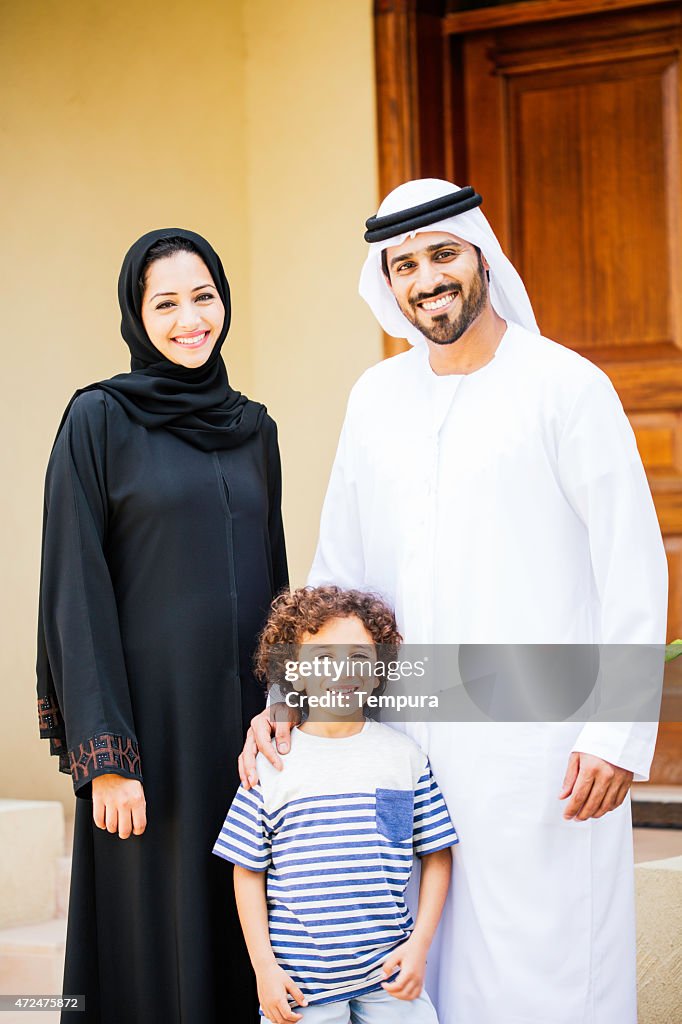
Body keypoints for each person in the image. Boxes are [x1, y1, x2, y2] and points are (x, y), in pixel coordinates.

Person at [240, 180, 669, 1024]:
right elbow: (338, 573)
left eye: (442, 254)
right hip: (402, 737)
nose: (426, 279)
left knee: (545, 958)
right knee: (416, 960)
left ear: (481, 257)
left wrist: (615, 731)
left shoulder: (564, 386)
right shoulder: (376, 400)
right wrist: (290, 696)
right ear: (386, 283)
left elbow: (633, 566)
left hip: (543, 745)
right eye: (404, 265)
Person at [36, 228, 288, 1023]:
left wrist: (284, 707)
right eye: (166, 303)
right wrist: (105, 757)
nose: (190, 319)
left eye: (204, 296)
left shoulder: (255, 428)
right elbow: (73, 591)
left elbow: (277, 581)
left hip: (243, 736)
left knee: (245, 924)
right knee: (151, 943)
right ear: (136, 315)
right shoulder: (99, 421)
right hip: (147, 734)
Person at [216, 586, 457, 1023]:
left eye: (359, 658)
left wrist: (419, 946)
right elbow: (247, 871)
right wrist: (264, 969)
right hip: (300, 988)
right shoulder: (270, 765)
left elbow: (437, 854)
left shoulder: (404, 758)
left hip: (390, 979)